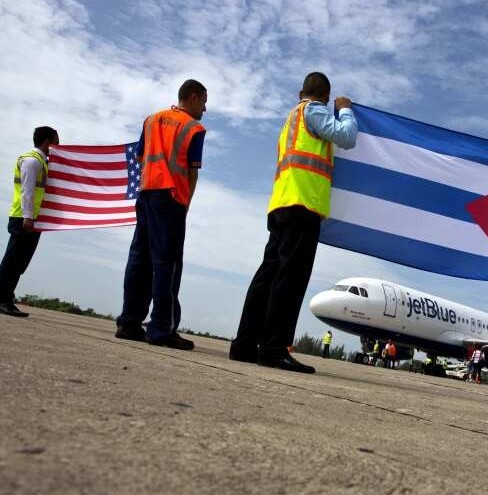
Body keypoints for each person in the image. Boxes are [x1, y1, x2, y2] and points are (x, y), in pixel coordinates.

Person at [229, 72, 357, 374]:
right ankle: (273, 348)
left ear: (301, 91)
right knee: (291, 278)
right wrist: (346, 110)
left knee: (267, 276)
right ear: (325, 96)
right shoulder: (313, 111)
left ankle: (244, 343)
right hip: (303, 204)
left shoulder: (290, 120)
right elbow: (347, 137)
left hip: (281, 203)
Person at [114, 80, 208, 350]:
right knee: (167, 263)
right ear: (192, 98)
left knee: (139, 257)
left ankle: (129, 322)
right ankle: (160, 328)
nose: (205, 107)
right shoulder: (194, 128)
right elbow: (192, 171)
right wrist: (185, 204)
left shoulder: (151, 119)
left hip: (146, 192)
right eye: (203, 101)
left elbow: (140, 157)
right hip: (172, 199)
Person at [0, 126, 60, 317]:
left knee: (20, 262)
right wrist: (28, 217)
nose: (58, 145)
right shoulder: (32, 161)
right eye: (56, 141)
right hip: (23, 218)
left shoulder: (43, 162)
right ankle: (0, 300)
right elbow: (27, 191)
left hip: (33, 219)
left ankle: (6, 298)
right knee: (13, 260)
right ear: (47, 142)